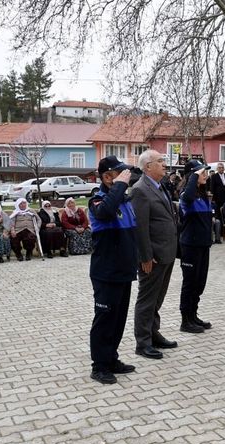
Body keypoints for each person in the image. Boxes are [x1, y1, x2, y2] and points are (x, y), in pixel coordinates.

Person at [87, 155, 139, 385]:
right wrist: (119, 185)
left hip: (124, 270)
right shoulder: (97, 201)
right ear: (107, 177)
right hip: (105, 272)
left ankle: (111, 359)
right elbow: (105, 213)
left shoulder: (124, 200)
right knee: (104, 320)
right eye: (119, 173)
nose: (125, 176)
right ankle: (99, 366)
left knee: (118, 319)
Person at [132, 150, 180, 358]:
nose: (164, 164)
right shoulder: (140, 190)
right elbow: (140, 227)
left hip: (166, 252)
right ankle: (142, 343)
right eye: (160, 161)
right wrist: (145, 256)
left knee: (158, 298)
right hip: (152, 256)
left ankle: (153, 333)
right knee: (147, 299)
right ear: (147, 166)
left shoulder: (160, 187)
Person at [178, 161, 214, 334]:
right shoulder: (187, 195)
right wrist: (193, 175)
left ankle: (193, 315)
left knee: (199, 283)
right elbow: (187, 196)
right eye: (202, 173)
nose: (205, 175)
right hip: (190, 246)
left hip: (203, 245)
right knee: (190, 283)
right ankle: (185, 320)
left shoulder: (203, 195)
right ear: (192, 175)